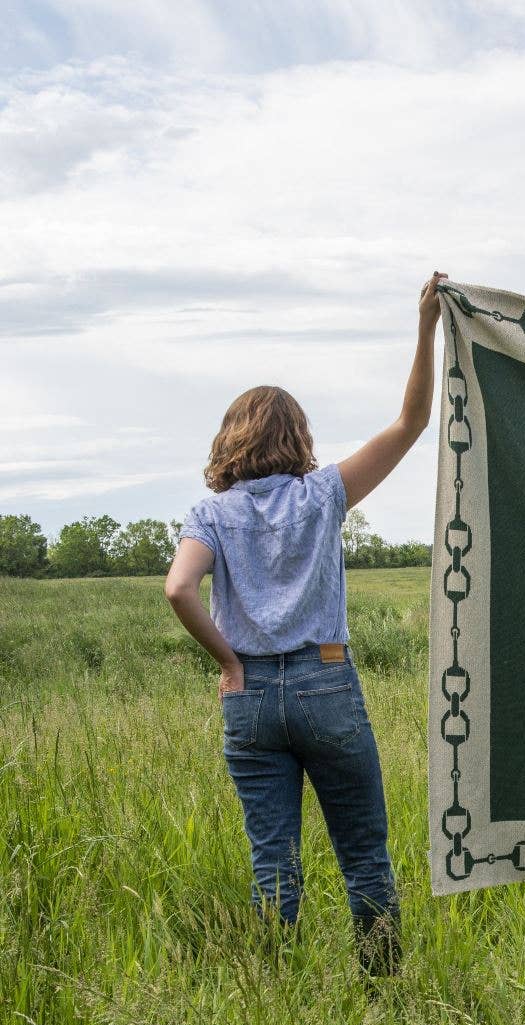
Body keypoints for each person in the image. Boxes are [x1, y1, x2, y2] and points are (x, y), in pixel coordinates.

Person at [165, 270, 449, 977]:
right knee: (363, 853)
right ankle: (383, 994)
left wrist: (230, 664)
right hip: (325, 684)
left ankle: (279, 996)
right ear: (297, 437)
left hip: (250, 699)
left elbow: (178, 588)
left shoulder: (211, 513)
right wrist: (426, 325)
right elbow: (411, 423)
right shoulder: (324, 494)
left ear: (231, 438)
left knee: (274, 865)